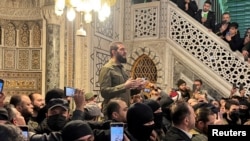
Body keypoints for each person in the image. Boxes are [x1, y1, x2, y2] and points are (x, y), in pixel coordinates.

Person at [98, 41, 144, 117]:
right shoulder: (107, 68)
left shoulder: (122, 69)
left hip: (124, 110)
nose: (125, 52)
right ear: (113, 52)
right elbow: (104, 92)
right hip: (113, 112)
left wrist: (137, 88)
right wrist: (125, 86)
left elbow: (125, 92)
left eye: (125, 49)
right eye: (122, 49)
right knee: (116, 129)